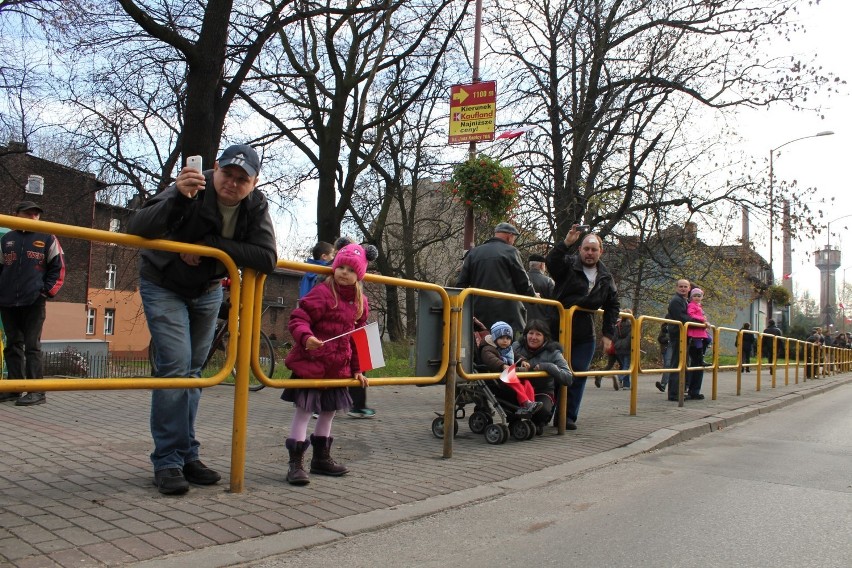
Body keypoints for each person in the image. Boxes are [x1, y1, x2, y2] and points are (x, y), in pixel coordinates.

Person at [128, 144, 277, 495]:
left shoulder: (255, 205)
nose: (233, 184)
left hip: (207, 289)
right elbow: (138, 226)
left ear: (254, 182)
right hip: (163, 282)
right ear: (215, 168)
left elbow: (267, 257)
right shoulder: (193, 185)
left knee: (194, 372)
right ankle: (167, 460)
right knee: (176, 368)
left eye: (243, 179)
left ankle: (186, 453)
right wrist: (178, 197)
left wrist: (208, 246)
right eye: (228, 174)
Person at [281, 243, 377, 485]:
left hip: (338, 368)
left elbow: (358, 338)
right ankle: (295, 463)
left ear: (359, 275)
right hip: (312, 364)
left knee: (328, 413)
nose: (344, 272)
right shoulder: (322, 293)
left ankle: (321, 459)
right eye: (340, 266)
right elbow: (299, 318)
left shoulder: (360, 302)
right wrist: (306, 337)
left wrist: (357, 369)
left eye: (351, 270)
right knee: (304, 412)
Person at [545, 226, 620, 430]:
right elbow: (551, 262)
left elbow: (613, 305)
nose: (589, 253)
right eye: (586, 249)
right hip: (557, 327)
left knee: (577, 374)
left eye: (593, 250)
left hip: (584, 332)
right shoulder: (568, 265)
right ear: (580, 250)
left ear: (600, 252)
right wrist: (566, 242)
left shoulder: (605, 276)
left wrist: (608, 334)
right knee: (553, 373)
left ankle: (567, 417)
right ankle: (544, 412)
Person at [0, 201, 66, 406]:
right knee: (12, 345)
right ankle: (14, 388)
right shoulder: (6, 239)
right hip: (7, 300)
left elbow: (59, 268)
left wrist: (45, 292)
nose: (33, 218)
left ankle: (37, 391)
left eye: (36, 215)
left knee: (32, 346)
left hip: (34, 300)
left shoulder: (47, 237)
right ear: (16, 215)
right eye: (28, 214)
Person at [456, 222, 537, 334]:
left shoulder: (473, 253)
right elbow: (522, 281)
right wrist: (533, 297)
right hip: (507, 315)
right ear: (509, 236)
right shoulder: (511, 251)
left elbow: (461, 283)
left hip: (479, 314)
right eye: (514, 238)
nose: (513, 242)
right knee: (508, 347)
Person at [512, 319, 573, 429]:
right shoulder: (516, 347)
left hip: (542, 391)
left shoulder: (553, 352)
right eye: (531, 333)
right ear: (525, 335)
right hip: (519, 390)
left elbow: (568, 378)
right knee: (504, 398)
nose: (533, 337)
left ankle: (538, 422)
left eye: (538, 334)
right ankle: (513, 421)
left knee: (542, 411)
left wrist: (547, 366)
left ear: (545, 337)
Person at [478, 320, 542, 415]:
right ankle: (526, 403)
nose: (505, 341)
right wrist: (502, 365)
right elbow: (491, 360)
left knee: (527, 382)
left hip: (508, 374)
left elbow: (516, 356)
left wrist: (523, 361)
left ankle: (532, 403)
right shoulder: (488, 349)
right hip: (496, 376)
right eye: (502, 338)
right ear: (495, 338)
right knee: (516, 383)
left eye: (508, 338)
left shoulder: (508, 349)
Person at [661, 279, 692, 401]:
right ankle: (673, 394)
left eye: (685, 287)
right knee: (676, 363)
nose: (683, 288)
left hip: (683, 334)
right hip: (677, 334)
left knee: (682, 363)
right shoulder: (676, 301)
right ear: (676, 288)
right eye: (681, 286)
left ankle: (679, 391)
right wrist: (698, 322)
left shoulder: (684, 300)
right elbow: (682, 317)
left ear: (689, 288)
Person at [525, 253, 559, 339]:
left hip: (522, 322)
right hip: (542, 325)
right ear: (542, 265)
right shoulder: (548, 281)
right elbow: (555, 302)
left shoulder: (521, 279)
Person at [684, 288, 710, 399]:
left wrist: (705, 320)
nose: (697, 298)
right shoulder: (691, 305)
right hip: (695, 332)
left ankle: (701, 358)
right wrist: (702, 320)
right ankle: (700, 359)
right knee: (696, 357)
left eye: (699, 296)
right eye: (695, 296)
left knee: (708, 340)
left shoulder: (699, 306)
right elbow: (691, 315)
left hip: (701, 331)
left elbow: (702, 316)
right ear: (691, 297)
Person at [613, 309, 633, 390]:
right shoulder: (632, 324)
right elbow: (631, 338)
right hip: (627, 348)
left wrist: (617, 344)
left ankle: (626, 385)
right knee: (627, 366)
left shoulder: (618, 324)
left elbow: (614, 337)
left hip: (618, 347)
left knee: (622, 365)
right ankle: (620, 378)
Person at [655, 322, 671, 391]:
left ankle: (684, 385)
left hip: (677, 346)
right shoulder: (665, 328)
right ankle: (663, 384)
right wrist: (668, 339)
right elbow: (660, 339)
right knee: (667, 364)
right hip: (667, 348)